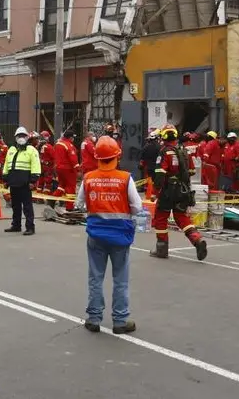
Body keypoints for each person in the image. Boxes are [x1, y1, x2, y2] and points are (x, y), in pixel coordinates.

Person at [81, 136, 141, 334]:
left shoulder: (88, 177)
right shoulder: (125, 178)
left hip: (96, 235)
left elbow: (79, 203)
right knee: (120, 279)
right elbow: (137, 206)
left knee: (95, 278)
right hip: (120, 237)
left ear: (97, 157)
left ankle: (94, 319)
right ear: (117, 156)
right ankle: (120, 321)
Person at [150, 124, 208, 260]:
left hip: (167, 191)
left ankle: (162, 249)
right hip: (183, 190)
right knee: (182, 217)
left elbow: (160, 174)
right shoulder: (184, 151)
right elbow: (192, 171)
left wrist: (154, 192)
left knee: (161, 217)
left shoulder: (165, 152)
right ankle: (197, 240)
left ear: (163, 137)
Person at [2, 126, 41, 236]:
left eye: (23, 136)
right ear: (15, 137)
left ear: (27, 137)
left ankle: (30, 227)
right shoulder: (11, 150)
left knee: (27, 207)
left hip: (25, 184)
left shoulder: (31, 150)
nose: (21, 138)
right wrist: (5, 179)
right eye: (19, 136)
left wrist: (33, 181)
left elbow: (36, 166)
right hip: (13, 183)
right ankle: (16, 225)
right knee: (15, 206)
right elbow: (6, 165)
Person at [52, 128, 80, 210]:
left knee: (61, 186)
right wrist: (77, 169)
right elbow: (73, 158)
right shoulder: (69, 145)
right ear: (70, 137)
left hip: (59, 169)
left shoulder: (58, 144)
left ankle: (52, 201)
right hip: (68, 169)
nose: (73, 139)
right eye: (73, 137)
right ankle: (70, 207)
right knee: (71, 187)